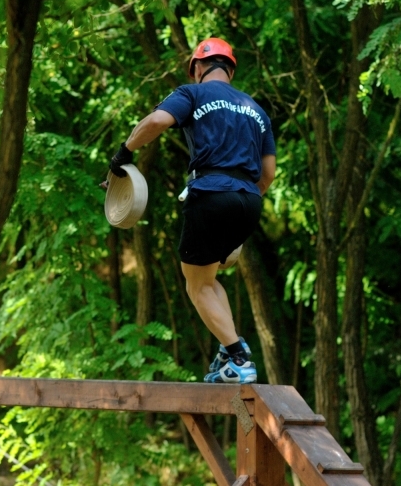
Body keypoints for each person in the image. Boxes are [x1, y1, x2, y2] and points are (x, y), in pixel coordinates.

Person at [108, 37, 276, 384]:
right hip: (250, 201)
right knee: (208, 279)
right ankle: (230, 353)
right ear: (229, 68)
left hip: (211, 193)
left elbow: (155, 123)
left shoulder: (192, 93)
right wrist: (240, 202)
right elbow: (269, 172)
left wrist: (122, 155)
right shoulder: (256, 110)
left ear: (198, 67)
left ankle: (239, 359)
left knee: (195, 285)